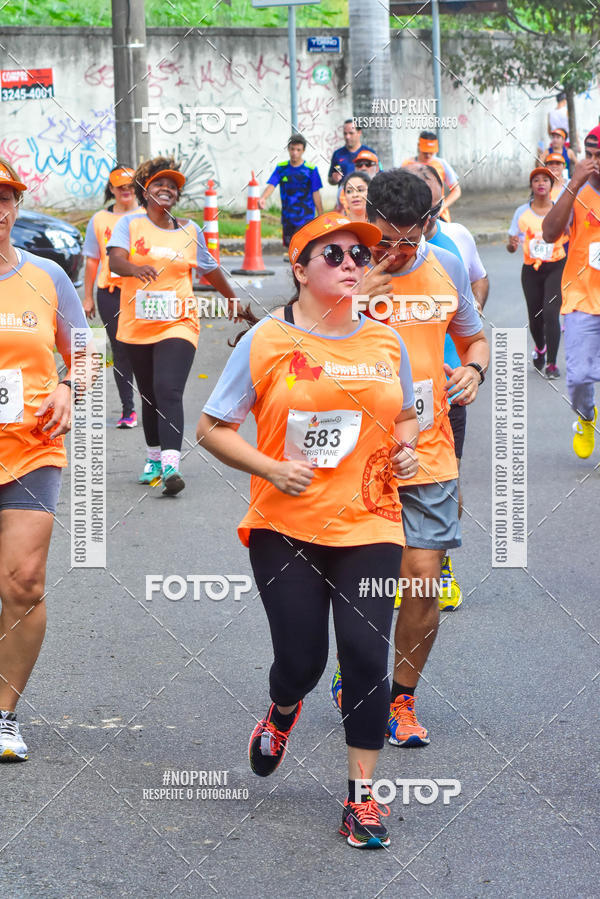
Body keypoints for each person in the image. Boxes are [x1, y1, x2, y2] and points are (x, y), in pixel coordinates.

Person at [197, 213, 419, 849]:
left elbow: (404, 416)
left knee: (366, 654)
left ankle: (360, 799)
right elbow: (212, 427)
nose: (352, 263)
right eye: (335, 254)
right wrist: (271, 467)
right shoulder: (265, 340)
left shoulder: (385, 342)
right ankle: (283, 707)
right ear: (299, 268)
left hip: (371, 521)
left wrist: (403, 450)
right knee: (303, 659)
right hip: (285, 525)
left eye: (359, 255)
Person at [331, 170, 489, 749]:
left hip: (427, 449)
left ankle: (401, 699)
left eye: (406, 239)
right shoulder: (342, 264)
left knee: (422, 581)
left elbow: (475, 337)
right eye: (385, 238)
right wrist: (357, 293)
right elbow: (299, 341)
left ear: (428, 223)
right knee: (364, 585)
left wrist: (473, 369)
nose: (395, 251)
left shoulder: (444, 266)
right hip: (353, 454)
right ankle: (355, 676)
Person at [0, 159, 90, 761]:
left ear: (14, 206)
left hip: (32, 448)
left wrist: (65, 386)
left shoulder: (47, 277)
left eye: (4, 198)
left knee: (23, 582)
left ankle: (3, 713)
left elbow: (84, 351)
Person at [107, 156, 237, 495]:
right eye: (159, 184)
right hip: (138, 324)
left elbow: (209, 269)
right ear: (145, 191)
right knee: (149, 395)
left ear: (176, 197)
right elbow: (116, 259)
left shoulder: (189, 231)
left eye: (173, 187)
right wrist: (134, 269)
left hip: (179, 323)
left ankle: (170, 466)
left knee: (168, 389)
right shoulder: (130, 225)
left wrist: (233, 299)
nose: (167, 189)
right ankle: (152, 458)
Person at [410, 163, 489, 610]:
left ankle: (439, 563)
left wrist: (472, 370)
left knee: (445, 478)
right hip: (375, 408)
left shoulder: (452, 249)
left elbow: (474, 322)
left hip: (443, 391)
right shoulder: (358, 260)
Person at [543, 125, 600, 458]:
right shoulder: (575, 189)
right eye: (589, 155)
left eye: (599, 156)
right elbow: (550, 234)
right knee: (578, 377)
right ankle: (586, 416)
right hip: (581, 297)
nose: (593, 163)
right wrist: (574, 183)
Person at [83, 164, 138, 428]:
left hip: (143, 295)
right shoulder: (100, 220)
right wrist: (88, 296)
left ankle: (154, 403)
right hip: (110, 293)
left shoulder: (148, 216)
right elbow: (93, 260)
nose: (125, 191)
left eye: (130, 186)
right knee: (121, 350)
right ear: (112, 189)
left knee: (145, 348)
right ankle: (129, 409)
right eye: (120, 187)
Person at [507, 167, 568, 379]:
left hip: (556, 265)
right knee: (535, 316)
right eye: (536, 180)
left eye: (545, 180)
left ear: (552, 186)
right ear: (531, 185)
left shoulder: (560, 210)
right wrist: (512, 245)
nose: (541, 183)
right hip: (531, 270)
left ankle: (551, 363)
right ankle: (540, 348)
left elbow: (572, 234)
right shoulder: (521, 212)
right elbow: (511, 243)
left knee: (551, 313)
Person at [259, 135, 323, 248]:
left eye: (298, 150)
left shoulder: (311, 169)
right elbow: (272, 184)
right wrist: (263, 198)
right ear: (288, 149)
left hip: (305, 218)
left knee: (303, 248)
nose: (295, 152)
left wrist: (321, 215)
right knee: (291, 249)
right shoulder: (281, 168)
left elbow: (315, 192)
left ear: (303, 151)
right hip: (288, 218)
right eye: (292, 149)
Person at [401, 131, 461, 221]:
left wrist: (442, 207)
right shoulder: (407, 164)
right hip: (413, 214)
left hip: (438, 215)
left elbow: (456, 191)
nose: (428, 155)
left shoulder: (441, 164)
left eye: (431, 152)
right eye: (425, 152)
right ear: (418, 146)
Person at [328, 120, 376, 186]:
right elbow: (330, 179)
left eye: (351, 133)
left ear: (359, 132)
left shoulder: (370, 153)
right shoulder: (338, 154)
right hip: (344, 194)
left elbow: (379, 175)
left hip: (365, 194)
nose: (347, 137)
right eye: (345, 133)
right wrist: (334, 179)